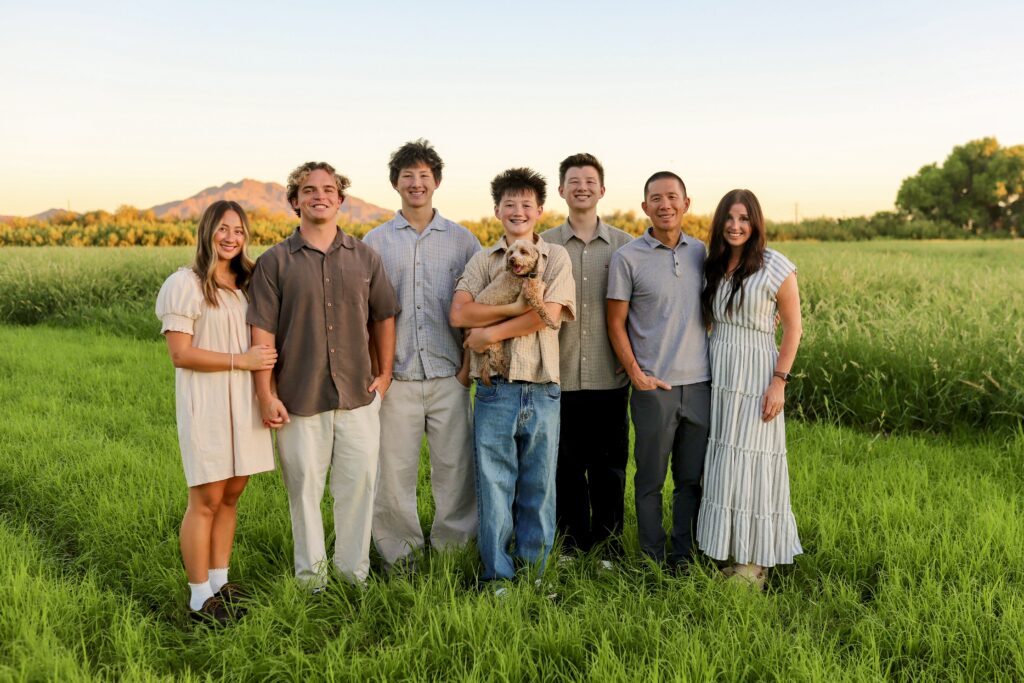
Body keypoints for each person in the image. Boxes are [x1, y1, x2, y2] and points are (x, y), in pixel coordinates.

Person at [247, 162, 400, 588]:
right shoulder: (274, 262)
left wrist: (384, 373)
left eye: (329, 189)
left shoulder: (366, 257)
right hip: (299, 397)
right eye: (309, 190)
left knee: (358, 490)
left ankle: (354, 576)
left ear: (340, 199)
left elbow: (383, 315)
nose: (320, 195)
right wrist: (266, 393)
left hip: (357, 395)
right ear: (295, 201)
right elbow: (263, 331)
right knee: (304, 495)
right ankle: (311, 583)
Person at [450, 168, 576, 586]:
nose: (518, 211)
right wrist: (507, 313)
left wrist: (488, 333)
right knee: (494, 486)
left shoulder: (554, 257)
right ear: (497, 211)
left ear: (540, 210)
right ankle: (497, 578)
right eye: (509, 204)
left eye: (526, 204)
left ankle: (536, 573)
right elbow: (460, 313)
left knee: (539, 487)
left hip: (542, 385)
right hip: (494, 388)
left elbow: (549, 316)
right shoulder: (483, 260)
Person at [155, 200, 277, 623]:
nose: (231, 237)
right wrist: (240, 361)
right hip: (206, 402)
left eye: (239, 230)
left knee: (232, 494)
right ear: (207, 232)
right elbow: (180, 354)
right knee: (206, 497)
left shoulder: (247, 283)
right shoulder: (184, 284)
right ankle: (197, 597)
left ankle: (221, 584)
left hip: (243, 401)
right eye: (223, 229)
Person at [364, 140, 480, 572]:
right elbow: (366, 314)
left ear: (437, 182)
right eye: (407, 176)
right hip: (397, 380)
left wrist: (466, 373)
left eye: (424, 175)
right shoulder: (374, 242)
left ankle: (453, 554)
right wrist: (380, 372)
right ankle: (401, 559)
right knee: (394, 476)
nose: (416, 183)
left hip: (450, 376)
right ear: (395, 183)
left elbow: (476, 309)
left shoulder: (463, 240)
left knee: (455, 473)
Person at [695, 189, 803, 588]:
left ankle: (757, 566)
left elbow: (794, 327)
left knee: (755, 463)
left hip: (758, 373)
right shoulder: (714, 265)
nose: (736, 226)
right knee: (724, 464)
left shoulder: (775, 266)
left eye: (744, 219)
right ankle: (735, 551)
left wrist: (779, 381)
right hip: (721, 372)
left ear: (755, 223)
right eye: (729, 218)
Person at [607, 171, 711, 569]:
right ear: (644, 206)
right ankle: (652, 558)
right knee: (649, 480)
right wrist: (635, 372)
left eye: (672, 197)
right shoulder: (627, 258)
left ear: (686, 203)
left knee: (691, 481)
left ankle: (683, 557)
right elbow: (615, 323)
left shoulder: (703, 253)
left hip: (700, 385)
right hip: (654, 388)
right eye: (656, 198)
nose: (665, 204)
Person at [541, 153, 632, 558]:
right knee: (565, 468)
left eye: (589, 180)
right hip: (558, 376)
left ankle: (609, 549)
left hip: (610, 377)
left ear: (602, 189)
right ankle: (572, 544)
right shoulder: (544, 245)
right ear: (561, 190)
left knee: (609, 470)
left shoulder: (626, 246)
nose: (581, 186)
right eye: (573, 180)